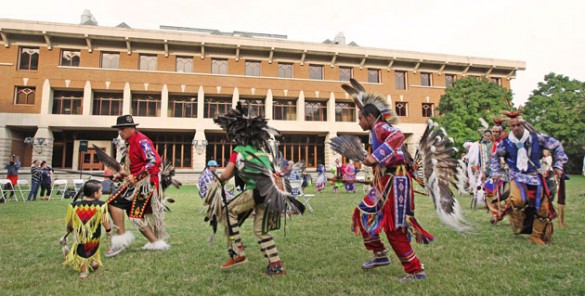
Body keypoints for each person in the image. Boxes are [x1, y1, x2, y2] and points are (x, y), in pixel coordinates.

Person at [209, 102, 304, 276]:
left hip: (257, 191)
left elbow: (227, 174)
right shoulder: (261, 152)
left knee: (227, 211)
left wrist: (217, 181)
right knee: (261, 231)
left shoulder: (238, 150)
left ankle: (237, 253)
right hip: (272, 192)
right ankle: (276, 265)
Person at [346, 84, 428, 281]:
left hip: (396, 182)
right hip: (385, 181)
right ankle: (380, 254)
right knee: (362, 213)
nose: (358, 123)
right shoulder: (375, 130)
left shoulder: (382, 126)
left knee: (394, 227)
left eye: (360, 118)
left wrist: (375, 157)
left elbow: (398, 136)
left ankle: (415, 270)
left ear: (370, 118)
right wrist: (372, 160)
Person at [491, 110, 568, 245]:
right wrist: (496, 172)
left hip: (535, 176)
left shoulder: (536, 138)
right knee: (518, 200)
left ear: (523, 125)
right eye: (512, 126)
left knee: (543, 208)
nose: (515, 128)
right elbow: (495, 156)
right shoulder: (507, 142)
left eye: (518, 125)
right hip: (517, 175)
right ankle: (517, 220)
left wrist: (558, 165)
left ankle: (536, 235)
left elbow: (557, 146)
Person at [106, 114, 169, 257]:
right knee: (135, 215)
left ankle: (121, 241)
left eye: (122, 129)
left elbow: (154, 161)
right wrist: (121, 174)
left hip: (146, 183)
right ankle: (155, 243)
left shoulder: (142, 141)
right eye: (119, 130)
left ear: (131, 128)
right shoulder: (130, 142)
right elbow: (134, 165)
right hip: (137, 183)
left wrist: (136, 176)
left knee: (114, 203)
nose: (120, 133)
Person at [64, 180, 112, 280]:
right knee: (86, 252)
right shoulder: (101, 205)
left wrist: (69, 229)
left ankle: (93, 263)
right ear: (95, 194)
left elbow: (70, 222)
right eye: (101, 191)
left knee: (84, 249)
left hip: (79, 235)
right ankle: (83, 273)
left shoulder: (74, 205)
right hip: (94, 234)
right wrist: (108, 229)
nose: (102, 193)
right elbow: (104, 221)